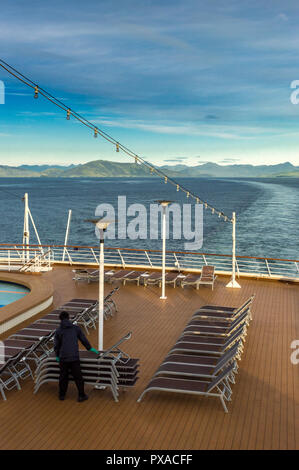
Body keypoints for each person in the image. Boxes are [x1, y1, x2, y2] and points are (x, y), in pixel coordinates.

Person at [54, 310, 99, 402]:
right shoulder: (75, 328)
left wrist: (58, 356)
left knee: (63, 377)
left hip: (63, 357)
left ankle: (62, 395)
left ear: (60, 319)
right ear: (68, 318)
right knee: (78, 377)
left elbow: (56, 345)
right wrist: (90, 348)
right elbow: (83, 340)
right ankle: (81, 395)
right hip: (74, 356)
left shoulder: (58, 331)